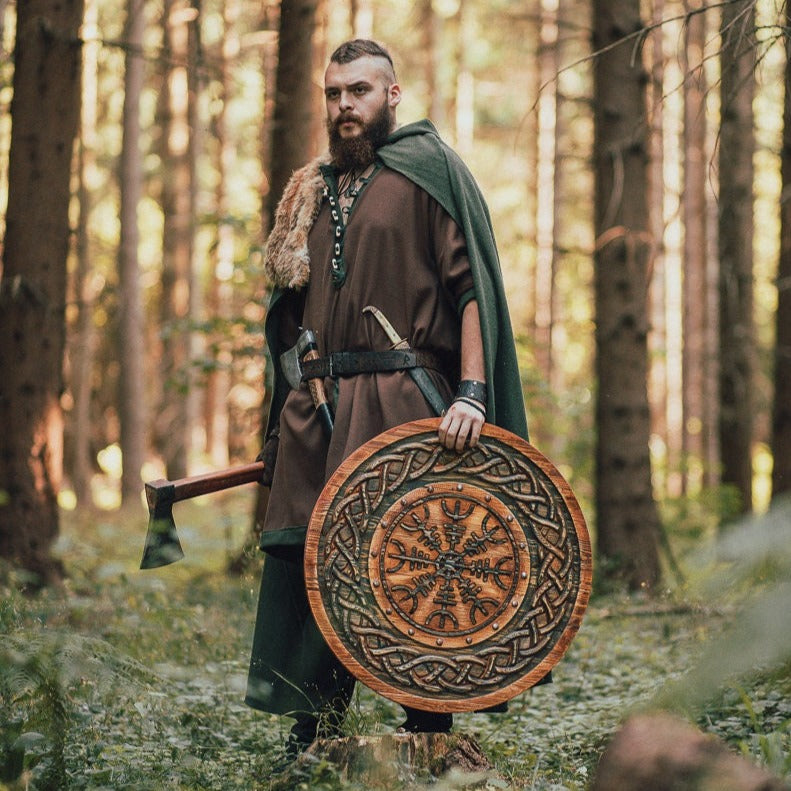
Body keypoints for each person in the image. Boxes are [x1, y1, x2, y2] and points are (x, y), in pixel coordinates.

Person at [245, 38, 530, 762]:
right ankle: (311, 729)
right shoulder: (311, 189)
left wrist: (470, 390)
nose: (344, 106)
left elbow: (471, 291)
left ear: (392, 96)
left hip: (405, 400)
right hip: (319, 406)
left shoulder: (428, 172)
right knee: (317, 569)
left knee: (410, 563)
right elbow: (289, 309)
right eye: (334, 93)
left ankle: (426, 732)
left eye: (360, 91)